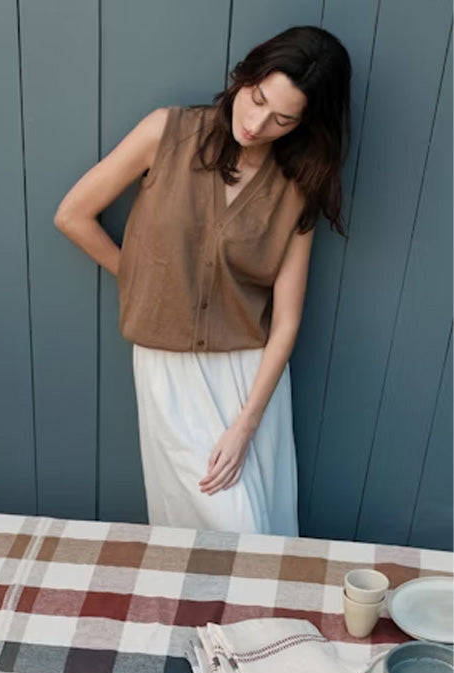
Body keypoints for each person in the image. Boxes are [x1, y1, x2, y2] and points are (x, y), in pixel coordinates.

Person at [54, 26, 351, 535]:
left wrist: (247, 424)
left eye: (282, 119)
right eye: (256, 99)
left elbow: (286, 321)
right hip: (168, 373)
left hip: (249, 380)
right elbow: (73, 215)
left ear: (304, 124)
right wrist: (146, 280)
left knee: (260, 529)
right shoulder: (164, 133)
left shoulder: (298, 186)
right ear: (245, 77)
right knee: (217, 525)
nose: (257, 123)